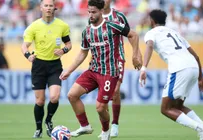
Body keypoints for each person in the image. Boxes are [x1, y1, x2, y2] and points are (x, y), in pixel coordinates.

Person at [59, 0, 142, 140]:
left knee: (100, 107)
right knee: (72, 95)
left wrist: (135, 55)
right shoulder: (87, 31)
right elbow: (82, 53)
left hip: (109, 73)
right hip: (93, 71)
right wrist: (69, 70)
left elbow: (133, 35)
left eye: (93, 12)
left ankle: (106, 131)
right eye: (89, 12)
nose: (90, 15)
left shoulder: (112, 25)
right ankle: (85, 126)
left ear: (101, 11)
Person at [139, 9, 203, 140]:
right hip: (193, 66)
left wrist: (143, 68)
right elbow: (196, 56)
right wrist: (200, 78)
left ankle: (202, 128)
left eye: (149, 19)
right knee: (178, 106)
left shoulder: (151, 33)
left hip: (179, 69)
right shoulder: (174, 32)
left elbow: (150, 46)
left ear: (152, 21)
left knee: (165, 108)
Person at [21, 0, 72, 138]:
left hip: (55, 65)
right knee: (40, 101)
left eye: (51, 6)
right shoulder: (33, 26)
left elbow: (68, 43)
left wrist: (64, 50)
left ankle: (48, 120)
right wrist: (28, 56)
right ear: (41, 8)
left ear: (54, 8)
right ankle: (38, 128)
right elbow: (24, 46)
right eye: (46, 6)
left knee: (55, 97)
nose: (48, 8)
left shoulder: (62, 25)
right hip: (39, 66)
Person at [97, 0, 131, 138]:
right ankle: (104, 129)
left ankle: (115, 124)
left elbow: (130, 34)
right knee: (103, 95)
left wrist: (136, 54)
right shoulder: (94, 17)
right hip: (101, 61)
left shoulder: (119, 16)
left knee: (116, 90)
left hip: (117, 58)